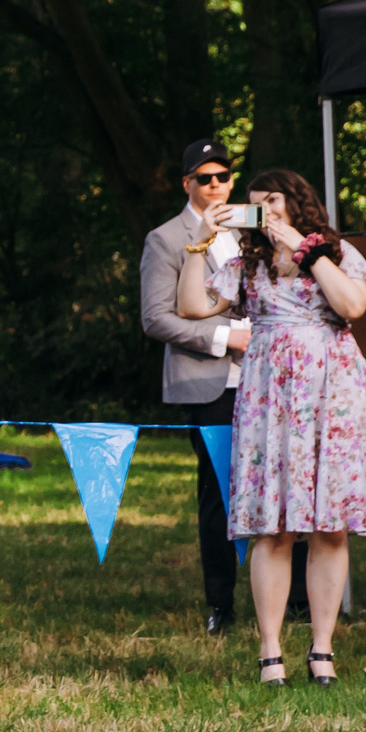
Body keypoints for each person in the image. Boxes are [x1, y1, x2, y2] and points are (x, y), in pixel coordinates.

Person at [176, 168, 366, 687]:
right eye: (257, 205)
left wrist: (305, 249)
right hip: (269, 398)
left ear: (298, 204)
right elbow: (190, 308)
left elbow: (353, 306)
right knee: (271, 528)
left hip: (332, 395)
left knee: (330, 524)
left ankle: (322, 649)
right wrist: (199, 243)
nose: (266, 212)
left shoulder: (336, 253)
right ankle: (270, 650)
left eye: (274, 201)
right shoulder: (245, 263)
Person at [139, 139, 249, 635]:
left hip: (267, 380)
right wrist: (227, 338)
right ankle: (221, 603)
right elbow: (156, 319)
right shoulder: (165, 238)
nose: (214, 186)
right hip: (209, 383)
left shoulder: (254, 229)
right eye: (203, 178)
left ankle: (296, 598)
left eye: (221, 176)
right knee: (218, 496)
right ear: (187, 184)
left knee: (283, 486)